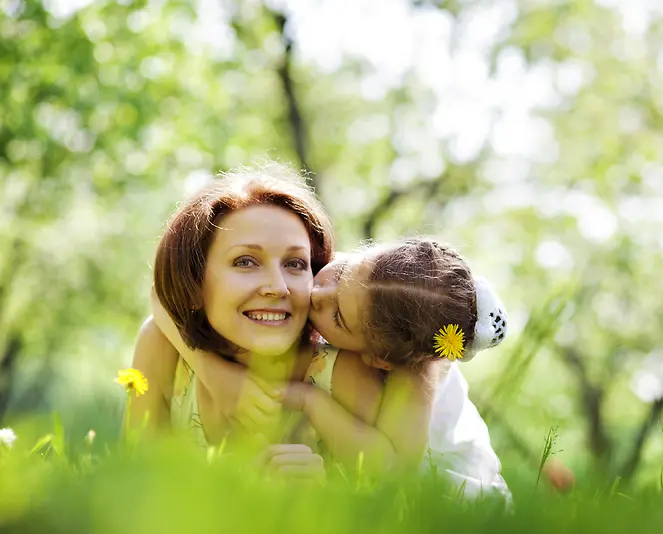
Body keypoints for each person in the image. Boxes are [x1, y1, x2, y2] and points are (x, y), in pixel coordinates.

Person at [134, 161, 510, 496]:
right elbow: (131, 486)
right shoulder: (362, 284)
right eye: (246, 261)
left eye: (296, 264)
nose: (303, 292)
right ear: (195, 280)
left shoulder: (385, 365)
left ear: (376, 356)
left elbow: (393, 480)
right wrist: (214, 373)